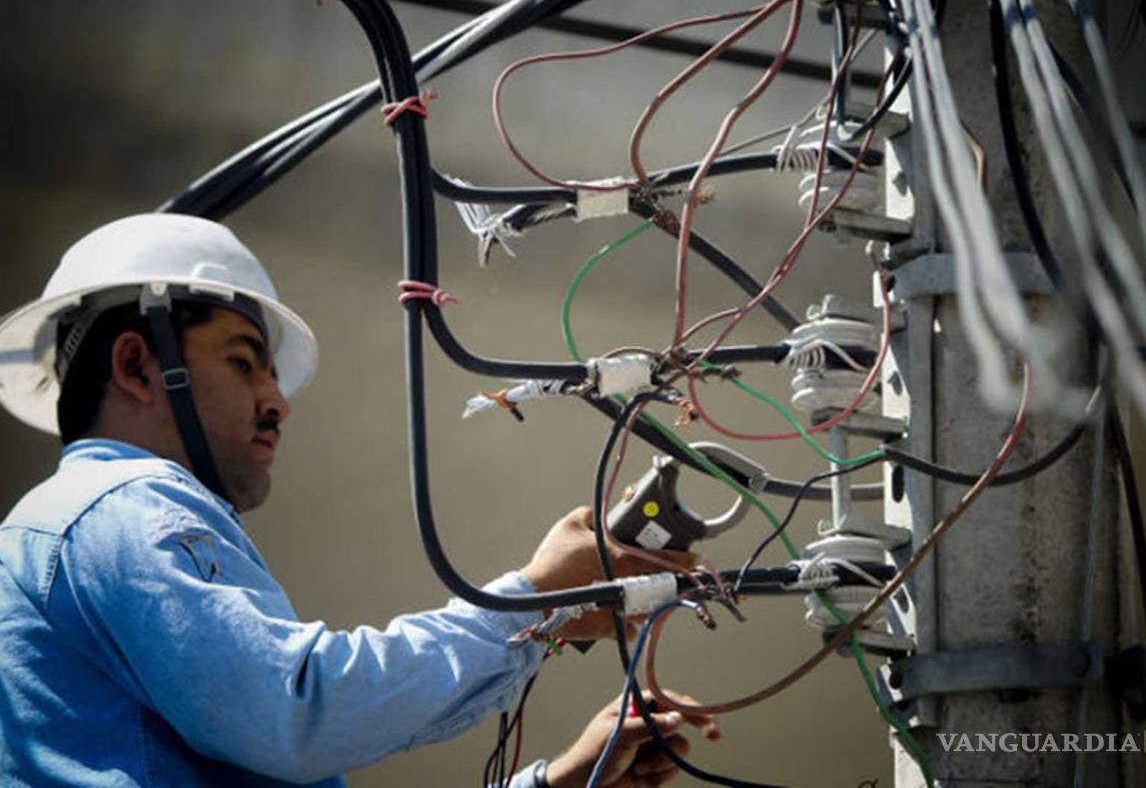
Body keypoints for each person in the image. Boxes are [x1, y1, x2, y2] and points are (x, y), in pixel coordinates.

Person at [0, 214, 717, 787]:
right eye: (243, 362)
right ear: (135, 365)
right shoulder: (120, 503)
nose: (277, 400)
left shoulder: (86, 529)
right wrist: (531, 599)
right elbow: (297, 712)